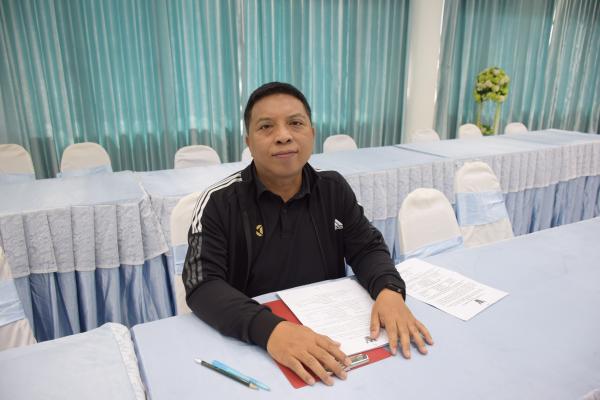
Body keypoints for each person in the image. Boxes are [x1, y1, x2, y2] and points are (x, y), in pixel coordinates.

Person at [183, 82, 433, 386]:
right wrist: (270, 330)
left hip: (333, 332)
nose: (283, 135)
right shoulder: (220, 202)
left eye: (295, 123)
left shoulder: (333, 188)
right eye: (266, 126)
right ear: (248, 142)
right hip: (256, 343)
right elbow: (202, 284)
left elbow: (366, 248)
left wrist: (389, 290)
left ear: (312, 133)